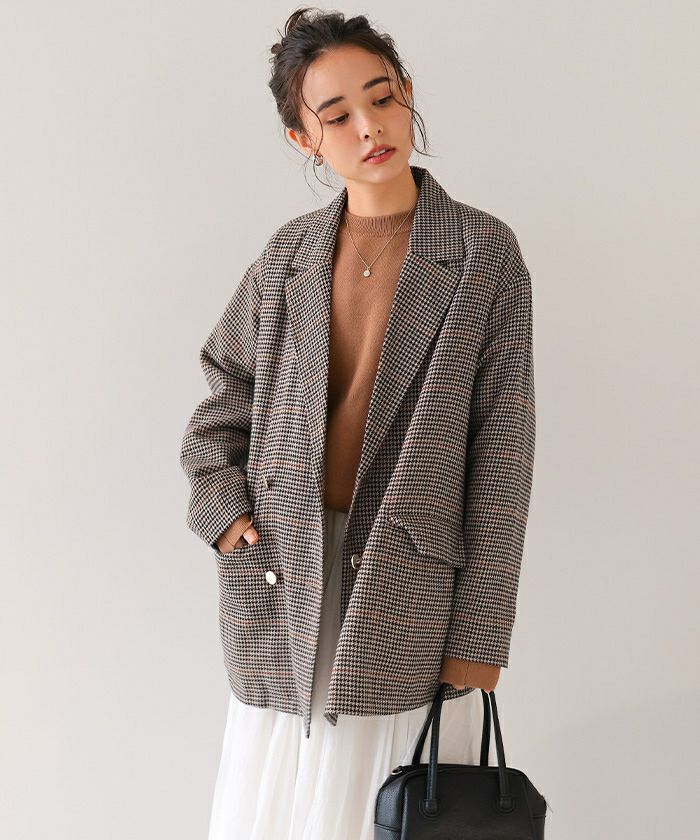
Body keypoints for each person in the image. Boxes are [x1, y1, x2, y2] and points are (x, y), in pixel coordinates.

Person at [180, 9, 535, 840]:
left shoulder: (483, 254)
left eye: (381, 98)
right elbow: (223, 392)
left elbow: (503, 455)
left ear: (408, 93)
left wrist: (480, 638)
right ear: (304, 139)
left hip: (408, 583)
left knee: (387, 802)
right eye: (337, 115)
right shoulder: (288, 254)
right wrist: (224, 513)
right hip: (281, 568)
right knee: (277, 804)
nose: (369, 128)